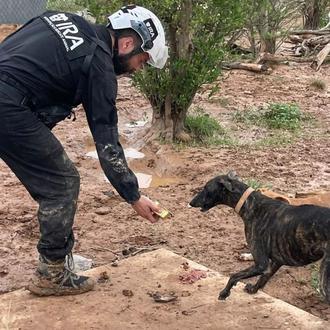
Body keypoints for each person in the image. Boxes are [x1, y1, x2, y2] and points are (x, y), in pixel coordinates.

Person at [0, 5, 168, 296]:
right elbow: (107, 143)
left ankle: (60, 258)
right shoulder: (100, 65)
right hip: (8, 107)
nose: (138, 69)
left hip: (8, 98)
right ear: (127, 43)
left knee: (53, 178)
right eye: (141, 60)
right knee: (62, 184)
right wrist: (134, 196)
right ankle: (51, 273)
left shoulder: (63, 19)